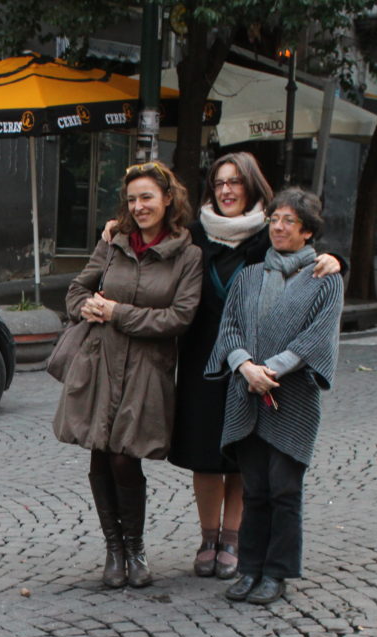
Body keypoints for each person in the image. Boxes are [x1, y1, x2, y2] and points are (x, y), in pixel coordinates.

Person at [104, 153, 340, 581]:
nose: (227, 191)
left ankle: (233, 538)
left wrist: (334, 259)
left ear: (252, 187)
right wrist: (115, 228)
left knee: (244, 452)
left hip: (257, 362)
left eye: (235, 182)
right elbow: (149, 235)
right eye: (218, 183)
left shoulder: (268, 238)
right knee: (205, 452)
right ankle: (208, 536)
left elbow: (305, 252)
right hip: (200, 358)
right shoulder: (195, 235)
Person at [54, 161, 203, 589]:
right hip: (101, 361)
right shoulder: (113, 242)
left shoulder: (187, 255)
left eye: (147, 198)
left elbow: (179, 317)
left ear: (167, 199)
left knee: (124, 455)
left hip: (146, 368)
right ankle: (114, 550)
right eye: (133, 199)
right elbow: (76, 290)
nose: (139, 206)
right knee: (100, 450)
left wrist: (118, 313)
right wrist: (87, 306)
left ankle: (135, 547)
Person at [206, 188, 344, 605]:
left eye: (289, 221)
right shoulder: (248, 276)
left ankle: (277, 573)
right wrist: (246, 366)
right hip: (246, 392)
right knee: (255, 489)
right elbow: (228, 328)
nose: (279, 228)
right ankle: (249, 569)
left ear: (307, 232)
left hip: (292, 398)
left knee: (284, 490)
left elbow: (318, 337)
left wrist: (274, 369)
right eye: (275, 220)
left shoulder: (325, 279)